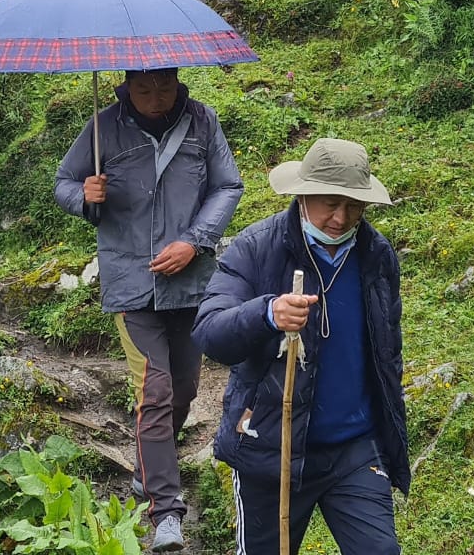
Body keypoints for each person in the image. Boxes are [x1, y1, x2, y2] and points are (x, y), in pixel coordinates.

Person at [55, 68, 243, 553]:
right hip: (131, 281)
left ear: (178, 79)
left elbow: (228, 187)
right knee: (155, 391)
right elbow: (64, 182)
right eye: (143, 89)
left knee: (185, 389)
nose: (155, 98)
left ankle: (146, 468)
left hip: (189, 282)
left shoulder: (203, 122)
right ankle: (166, 511)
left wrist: (194, 241)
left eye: (164, 87)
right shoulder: (103, 127)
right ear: (125, 84)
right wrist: (85, 197)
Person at [191, 138, 408, 555]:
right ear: (303, 195)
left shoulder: (376, 256)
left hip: (355, 451)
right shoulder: (257, 248)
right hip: (272, 449)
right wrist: (267, 314)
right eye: (329, 203)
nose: (341, 218)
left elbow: (387, 354)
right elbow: (210, 333)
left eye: (353, 205)